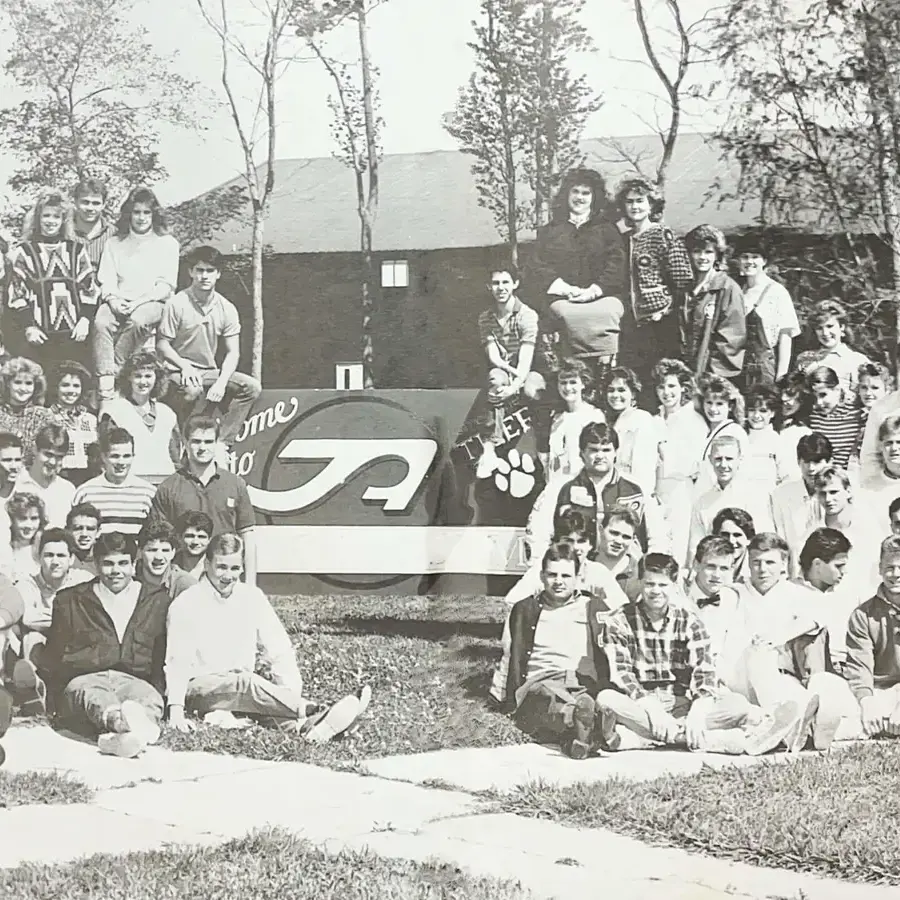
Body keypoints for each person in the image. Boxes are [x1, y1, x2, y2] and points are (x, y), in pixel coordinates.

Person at [595, 553, 802, 755]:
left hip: (682, 703)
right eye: (650, 584)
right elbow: (622, 674)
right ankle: (711, 740)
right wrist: (653, 710)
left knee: (737, 704)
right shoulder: (619, 620)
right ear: (640, 582)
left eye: (663, 585)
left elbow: (704, 670)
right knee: (606, 700)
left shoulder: (689, 620)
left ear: (674, 585)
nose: (656, 591)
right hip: (641, 703)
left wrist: (697, 714)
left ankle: (644, 738)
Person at [166, 533, 370, 738]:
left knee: (266, 707)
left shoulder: (252, 597)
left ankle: (312, 729)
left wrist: (288, 695)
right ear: (207, 564)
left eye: (235, 568)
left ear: (243, 568)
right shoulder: (186, 604)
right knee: (246, 684)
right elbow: (177, 661)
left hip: (242, 692)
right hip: (198, 689)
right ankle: (318, 710)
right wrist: (176, 711)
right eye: (221, 567)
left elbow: (278, 649)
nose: (227, 575)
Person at [41, 532, 170, 757]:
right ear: (97, 565)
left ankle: (121, 738)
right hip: (87, 678)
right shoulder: (70, 600)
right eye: (108, 564)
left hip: (134, 679)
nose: (116, 571)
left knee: (149, 699)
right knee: (96, 698)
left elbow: (162, 654)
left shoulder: (157, 600)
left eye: (123, 563)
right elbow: (55, 655)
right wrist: (55, 702)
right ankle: (121, 724)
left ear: (134, 564)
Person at [727, 533, 851, 750]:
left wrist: (778, 637)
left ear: (783, 564)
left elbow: (818, 616)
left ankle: (803, 728)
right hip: (740, 678)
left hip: (777, 678)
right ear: (748, 562)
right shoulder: (736, 592)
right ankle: (802, 726)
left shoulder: (794, 592)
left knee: (803, 687)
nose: (762, 569)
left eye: (770, 563)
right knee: (759, 655)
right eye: (756, 562)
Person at [490, 542, 607, 759]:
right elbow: (509, 653)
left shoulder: (594, 607)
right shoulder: (525, 609)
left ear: (578, 577)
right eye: (552, 575)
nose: (559, 582)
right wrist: (500, 695)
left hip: (580, 682)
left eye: (565, 575)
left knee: (582, 700)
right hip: (539, 682)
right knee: (548, 698)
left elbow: (614, 648)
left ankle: (579, 738)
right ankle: (585, 720)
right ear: (542, 576)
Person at [156, 246, 261, 459]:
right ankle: (185, 444)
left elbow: (233, 353)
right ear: (191, 272)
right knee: (193, 391)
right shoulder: (177, 303)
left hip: (208, 371)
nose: (204, 276)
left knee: (251, 387)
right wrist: (184, 366)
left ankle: (222, 442)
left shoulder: (226, 307)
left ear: (218, 274)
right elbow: (162, 345)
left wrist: (222, 382)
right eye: (199, 270)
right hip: (176, 371)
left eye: (210, 271)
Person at [525, 168, 627, 388]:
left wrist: (594, 290)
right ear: (567, 195)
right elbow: (537, 266)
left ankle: (605, 373)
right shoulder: (550, 231)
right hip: (564, 297)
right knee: (567, 316)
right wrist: (565, 289)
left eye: (586, 193)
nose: (580, 197)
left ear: (595, 197)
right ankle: (571, 377)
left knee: (607, 313)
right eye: (576, 191)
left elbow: (617, 264)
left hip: (602, 295)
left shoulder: (607, 230)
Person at [526, 422, 666, 561]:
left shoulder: (637, 488)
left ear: (615, 452)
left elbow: (659, 537)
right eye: (593, 450)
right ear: (582, 453)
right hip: (575, 573)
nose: (600, 456)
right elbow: (538, 535)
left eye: (606, 450)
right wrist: (541, 572)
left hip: (624, 574)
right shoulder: (559, 488)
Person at [92, 187, 180, 399]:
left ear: (154, 214)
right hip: (120, 299)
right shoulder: (115, 243)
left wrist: (139, 301)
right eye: (136, 212)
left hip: (153, 302)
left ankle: (116, 370)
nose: (141, 218)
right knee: (100, 322)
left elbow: (166, 285)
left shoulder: (167, 243)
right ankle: (105, 379)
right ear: (129, 214)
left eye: (146, 212)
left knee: (138, 321)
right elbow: (107, 278)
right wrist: (112, 299)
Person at [150, 416, 257, 585]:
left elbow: (247, 536)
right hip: (184, 579)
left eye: (208, 442)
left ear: (216, 444)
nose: (202, 448)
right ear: (185, 443)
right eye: (196, 441)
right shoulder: (168, 488)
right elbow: (161, 540)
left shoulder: (235, 484)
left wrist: (251, 584)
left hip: (224, 577)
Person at [615, 177, 693, 389]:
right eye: (629, 202)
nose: (635, 206)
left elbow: (682, 279)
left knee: (663, 376)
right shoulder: (623, 239)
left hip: (660, 321)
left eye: (640, 201)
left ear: (651, 204)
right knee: (636, 377)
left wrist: (667, 310)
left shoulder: (662, 234)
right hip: (631, 322)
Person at [5, 190, 97, 371]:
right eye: (46, 215)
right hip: (39, 338)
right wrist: (29, 326)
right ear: (37, 218)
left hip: (75, 337)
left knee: (73, 385)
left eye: (56, 216)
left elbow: (89, 288)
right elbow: (16, 293)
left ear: (64, 220)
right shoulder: (25, 251)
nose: (50, 221)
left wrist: (85, 320)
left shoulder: (76, 250)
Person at [471, 263, 546, 478]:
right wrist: (508, 379)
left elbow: (526, 359)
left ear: (515, 284)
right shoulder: (485, 317)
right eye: (495, 283)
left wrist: (515, 386)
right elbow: (494, 356)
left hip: (532, 369)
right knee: (495, 380)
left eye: (505, 282)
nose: (501, 287)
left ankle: (535, 446)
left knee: (532, 391)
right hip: (506, 368)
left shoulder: (527, 315)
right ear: (489, 286)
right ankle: (490, 448)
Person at [12, 528, 92, 714]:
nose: (55, 561)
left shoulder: (84, 581)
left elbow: (87, 622)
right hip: (40, 645)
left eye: (61, 555)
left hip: (74, 644)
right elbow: (27, 617)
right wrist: (65, 620)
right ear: (39, 557)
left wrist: (52, 621)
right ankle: (33, 690)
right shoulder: (27, 583)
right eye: (48, 555)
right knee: (31, 636)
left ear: (71, 559)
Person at [504, 509, 629, 609]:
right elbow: (512, 601)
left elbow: (620, 604)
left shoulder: (597, 572)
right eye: (568, 541)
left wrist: (595, 613)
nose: (575, 548)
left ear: (591, 544)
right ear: (557, 543)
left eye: (581, 541)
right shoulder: (544, 570)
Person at [687, 435, 774, 568]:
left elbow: (766, 542)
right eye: (718, 459)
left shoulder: (756, 496)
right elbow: (695, 547)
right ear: (710, 460)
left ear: (740, 460)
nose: (723, 465)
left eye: (729, 459)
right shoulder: (703, 502)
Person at [652, 358, 708, 566]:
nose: (667, 392)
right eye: (661, 387)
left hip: (681, 491)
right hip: (656, 491)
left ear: (683, 388)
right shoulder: (654, 420)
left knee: (679, 544)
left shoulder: (694, 420)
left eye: (671, 386)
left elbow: (695, 464)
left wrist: (664, 453)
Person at [845, 535, 900, 738]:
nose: (896, 574)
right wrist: (867, 701)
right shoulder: (863, 614)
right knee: (834, 693)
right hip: (879, 691)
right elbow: (859, 665)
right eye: (889, 567)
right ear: (879, 569)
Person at [100, 350, 181, 484]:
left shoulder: (167, 413)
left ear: (157, 378)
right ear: (129, 378)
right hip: (130, 483)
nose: (143, 381)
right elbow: (105, 455)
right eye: (138, 376)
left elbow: (175, 456)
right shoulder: (114, 411)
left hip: (166, 483)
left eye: (148, 376)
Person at [680, 224, 745, 381]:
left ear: (717, 255)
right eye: (697, 251)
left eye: (708, 252)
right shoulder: (684, 287)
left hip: (710, 376)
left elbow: (732, 339)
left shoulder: (727, 288)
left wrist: (712, 374)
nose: (702, 257)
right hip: (684, 372)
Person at [733, 234, 800, 386]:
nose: (749, 261)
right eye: (745, 256)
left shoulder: (777, 292)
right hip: (739, 369)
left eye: (755, 256)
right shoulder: (738, 292)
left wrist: (781, 376)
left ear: (764, 261)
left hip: (766, 369)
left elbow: (785, 336)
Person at [71, 427, 156, 535]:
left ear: (133, 457)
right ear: (103, 457)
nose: (121, 462)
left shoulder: (148, 493)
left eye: (126, 456)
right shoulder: (85, 492)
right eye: (115, 456)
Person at [796, 528, 856, 674]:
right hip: (805, 675)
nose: (845, 571)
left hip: (851, 671)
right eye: (839, 566)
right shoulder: (789, 592)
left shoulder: (849, 593)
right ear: (817, 564)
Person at [771, 432, 832, 559]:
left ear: (829, 462)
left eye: (817, 462)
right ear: (798, 461)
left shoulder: (839, 493)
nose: (811, 468)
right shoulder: (781, 494)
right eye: (806, 461)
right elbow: (780, 537)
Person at [601, 367, 660, 495]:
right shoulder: (610, 421)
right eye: (611, 390)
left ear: (633, 393)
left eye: (621, 390)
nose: (615, 395)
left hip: (632, 494)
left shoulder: (641, 418)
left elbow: (644, 468)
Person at [545, 359, 606, 480]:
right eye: (563, 382)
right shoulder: (557, 418)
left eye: (573, 382)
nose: (567, 387)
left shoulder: (594, 415)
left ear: (583, 384)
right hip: (558, 483)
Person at [795, 300, 871, 393]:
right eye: (819, 328)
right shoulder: (805, 359)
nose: (825, 333)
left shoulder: (856, 360)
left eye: (830, 326)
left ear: (842, 327)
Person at [0, 357, 63, 464]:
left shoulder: (44, 416)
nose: (23, 388)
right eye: (18, 382)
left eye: (28, 383)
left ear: (36, 386)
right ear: (7, 384)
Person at [47, 360, 98, 486]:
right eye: (65, 385)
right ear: (55, 388)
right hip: (58, 477)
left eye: (76, 386)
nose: (71, 391)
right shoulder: (46, 416)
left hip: (88, 478)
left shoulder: (90, 419)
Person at [694, 373, 747, 494]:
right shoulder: (703, 431)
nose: (713, 409)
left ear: (730, 406)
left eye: (719, 404)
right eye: (709, 402)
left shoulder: (735, 431)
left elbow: (741, 471)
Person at [14, 424, 75, 528]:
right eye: (48, 454)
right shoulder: (16, 484)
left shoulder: (68, 490)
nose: (52, 462)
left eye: (59, 457)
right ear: (35, 449)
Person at [806, 366, 863, 471]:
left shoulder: (857, 413)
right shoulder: (813, 416)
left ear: (837, 389)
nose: (818, 402)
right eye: (815, 397)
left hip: (851, 475)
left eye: (823, 395)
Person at [741, 384, 787, 492]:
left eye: (763, 410)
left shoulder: (777, 440)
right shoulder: (741, 436)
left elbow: (786, 476)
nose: (756, 416)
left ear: (772, 413)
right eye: (752, 410)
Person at [135, 521, 196, 600]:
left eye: (165, 551)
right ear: (140, 552)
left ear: (173, 552)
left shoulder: (186, 585)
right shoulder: (130, 581)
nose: (159, 557)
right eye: (152, 550)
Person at [65, 179, 112, 269]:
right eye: (85, 202)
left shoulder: (114, 234)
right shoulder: (64, 232)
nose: (90, 208)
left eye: (96, 203)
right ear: (75, 201)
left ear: (104, 204)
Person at [5, 492, 46, 583]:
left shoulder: (43, 549)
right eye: (22, 518)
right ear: (12, 519)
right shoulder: (5, 549)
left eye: (34, 518)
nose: (28, 525)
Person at [712, 507, 755, 584]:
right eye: (725, 535)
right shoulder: (706, 566)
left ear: (749, 539)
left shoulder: (757, 570)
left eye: (737, 535)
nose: (731, 541)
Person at [173, 510, 213, 579]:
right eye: (190, 536)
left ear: (209, 540)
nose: (195, 542)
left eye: (201, 537)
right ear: (179, 537)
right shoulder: (169, 563)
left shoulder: (216, 566)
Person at [65, 502, 101, 577]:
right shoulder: (62, 560)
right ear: (67, 530)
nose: (84, 534)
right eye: (78, 528)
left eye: (90, 529)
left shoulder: (104, 561)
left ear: (98, 532)